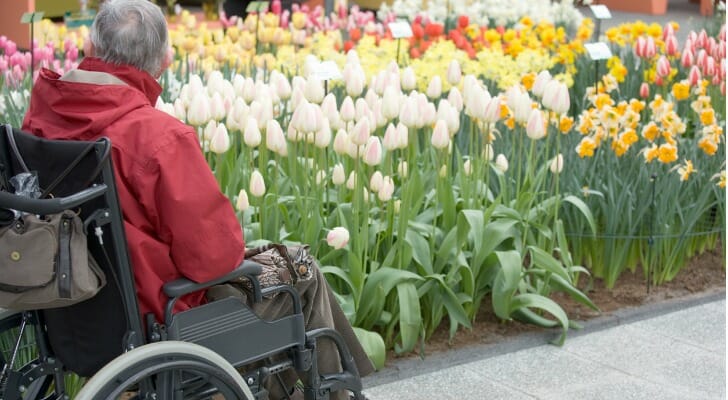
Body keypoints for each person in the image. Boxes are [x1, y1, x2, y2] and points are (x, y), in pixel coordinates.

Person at [21, 0, 373, 398]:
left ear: (91, 48)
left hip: (73, 314)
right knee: (300, 268)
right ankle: (335, 391)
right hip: (162, 320)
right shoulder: (155, 137)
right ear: (162, 62)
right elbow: (215, 258)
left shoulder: (40, 118)